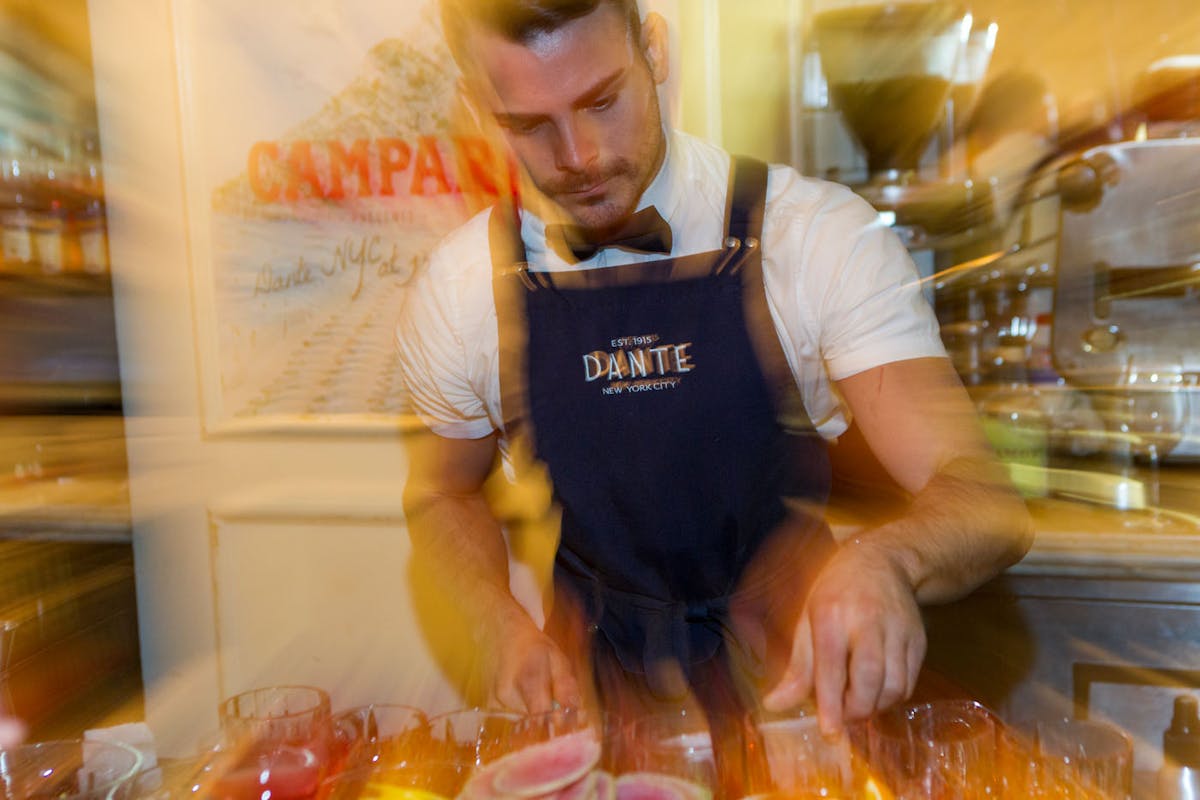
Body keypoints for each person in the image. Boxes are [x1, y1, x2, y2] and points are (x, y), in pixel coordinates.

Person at [398, 0, 1032, 746]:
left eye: (603, 100)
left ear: (654, 51)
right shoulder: (462, 287)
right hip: (602, 720)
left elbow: (986, 500)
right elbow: (443, 492)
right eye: (530, 125)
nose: (578, 155)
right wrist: (494, 620)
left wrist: (888, 560)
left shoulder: (813, 237)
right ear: (478, 110)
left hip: (802, 710)